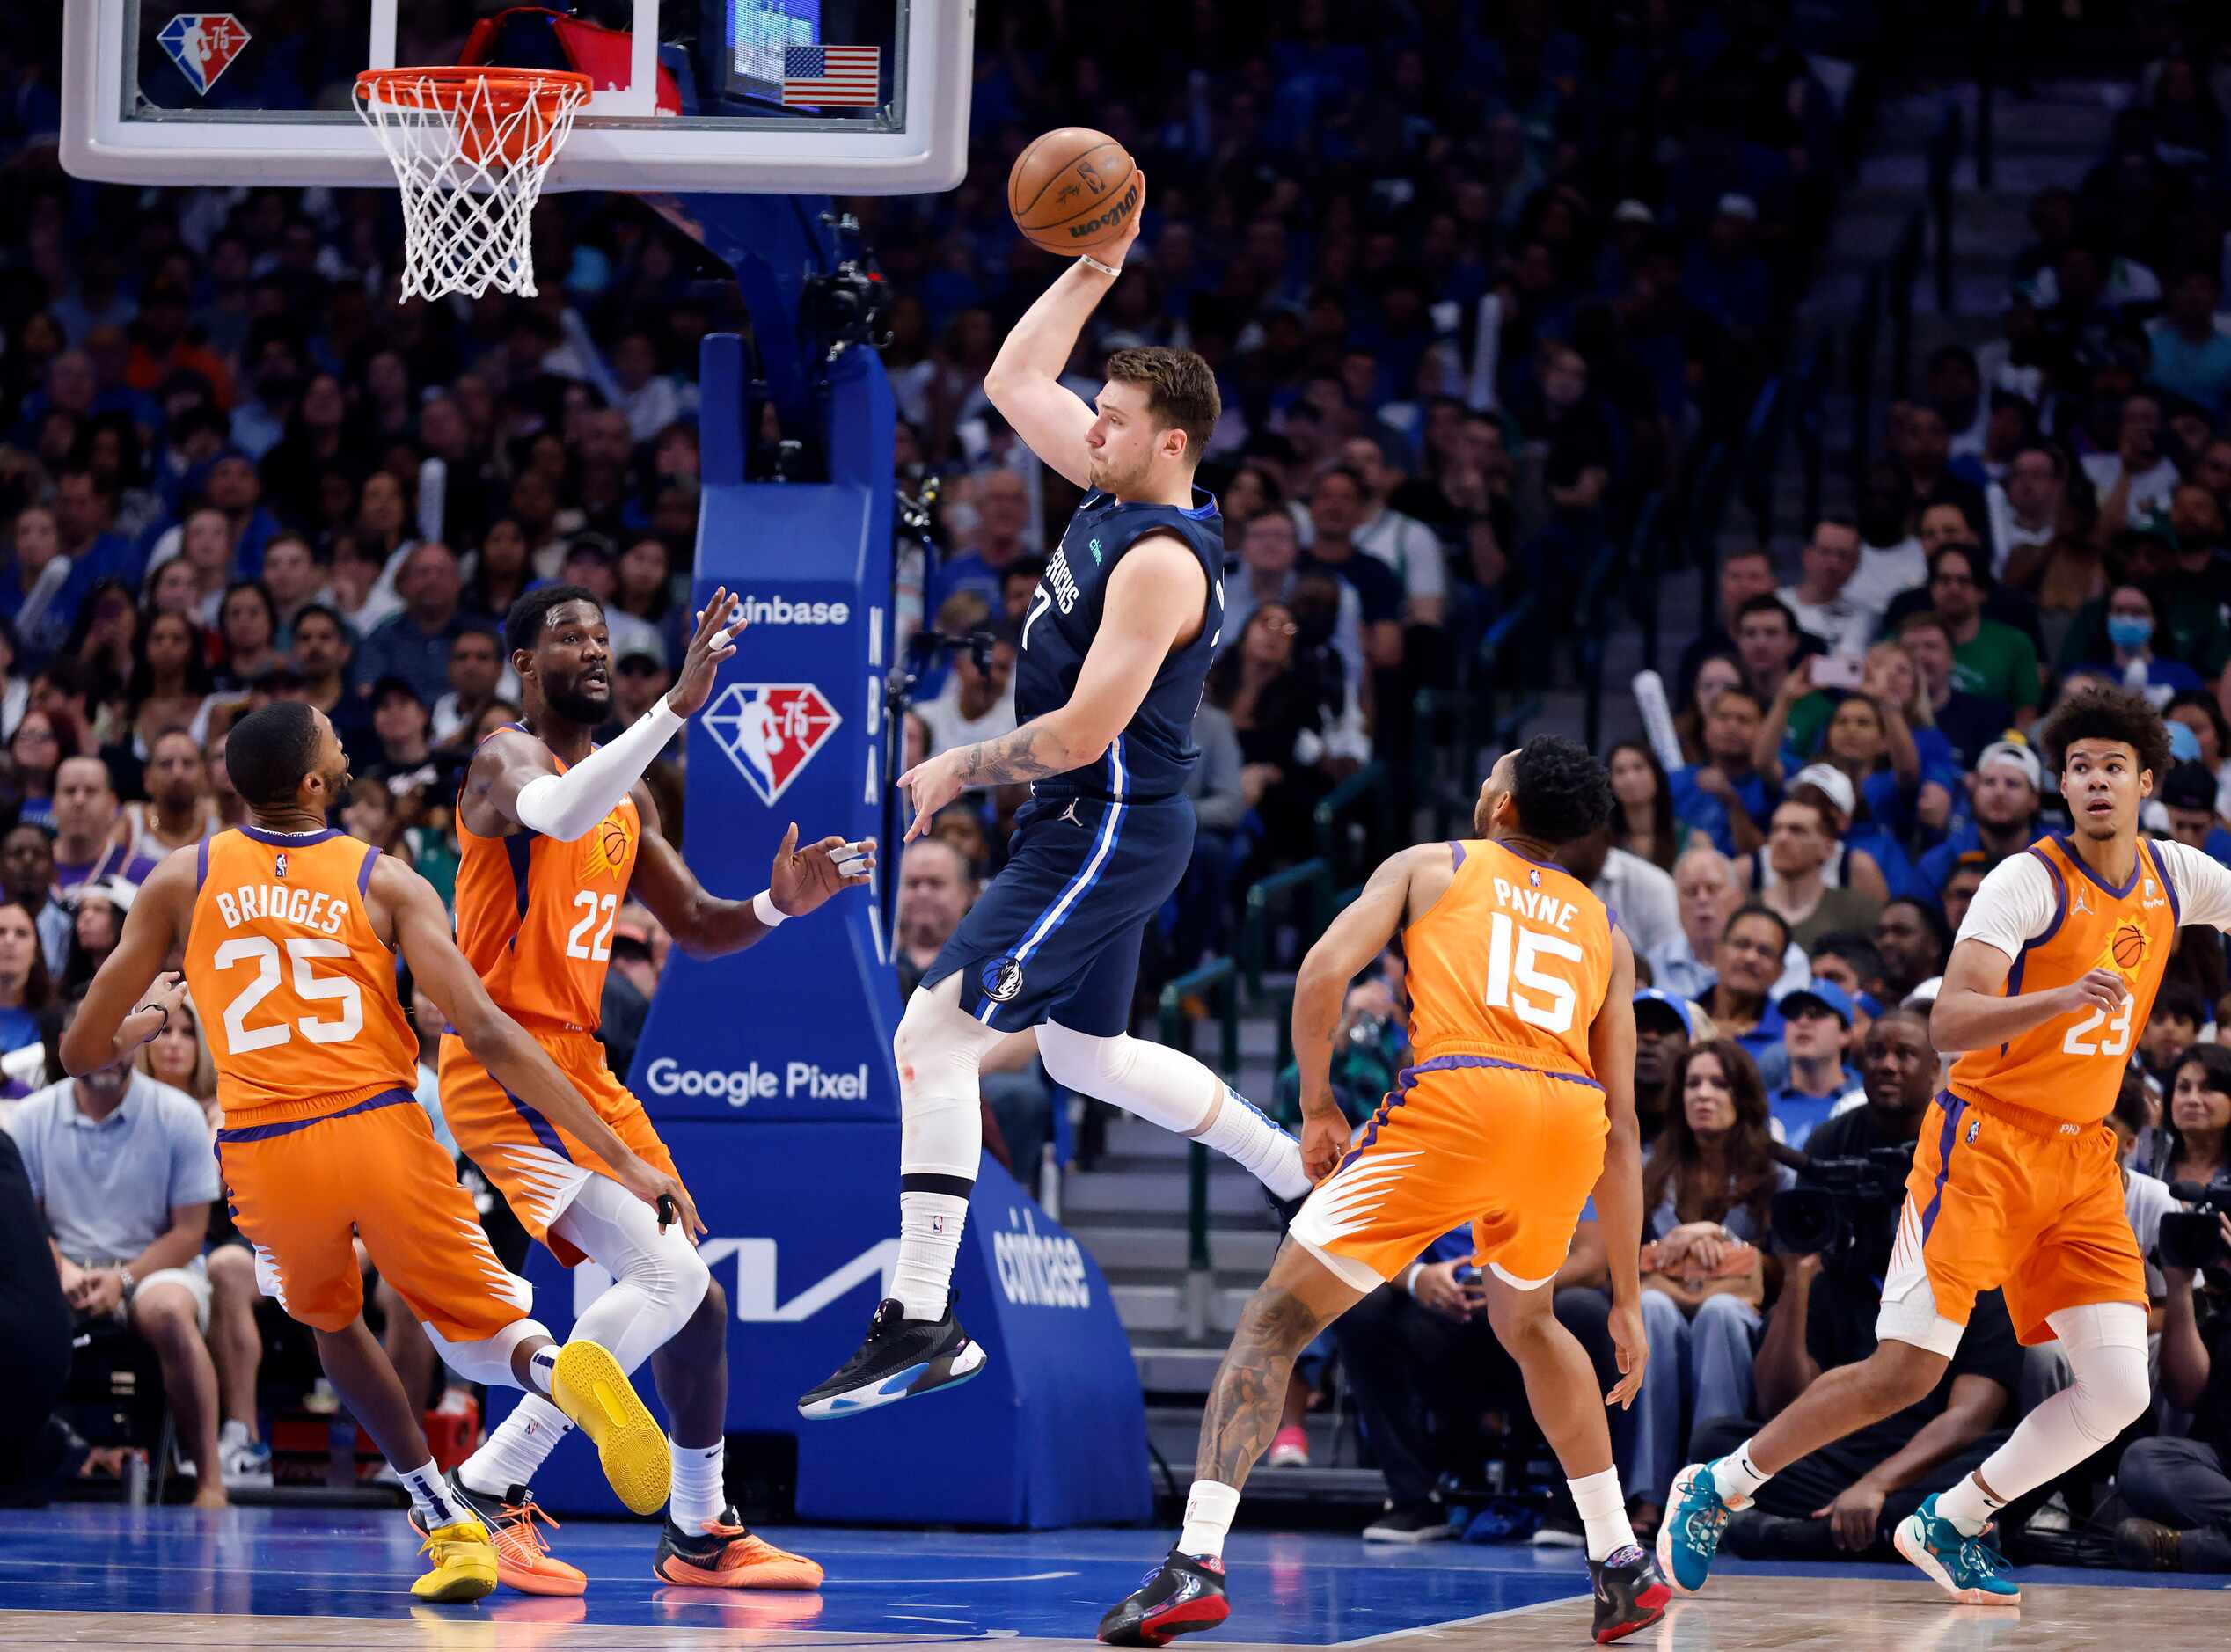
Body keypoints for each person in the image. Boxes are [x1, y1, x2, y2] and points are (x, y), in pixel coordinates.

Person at [800, 197, 1313, 1422]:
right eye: (1098, 412)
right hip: (1082, 826)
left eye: (1119, 420)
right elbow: (1012, 372)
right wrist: (1096, 262)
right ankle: (1298, 1172)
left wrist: (956, 765)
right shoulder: (1105, 483)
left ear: (1174, 444)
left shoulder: (1160, 563)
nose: (1092, 426)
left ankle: (921, 1317)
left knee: (931, 1038)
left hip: (1108, 822)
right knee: (1084, 1054)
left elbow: (1082, 734)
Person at [57, 699, 698, 1600]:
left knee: (331, 1324)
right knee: (479, 1332)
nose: (346, 736)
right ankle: (555, 1370)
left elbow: (81, 1053)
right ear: (315, 782)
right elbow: (489, 1032)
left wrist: (161, 1013)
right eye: (332, 735)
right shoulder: (387, 880)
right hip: (380, 1126)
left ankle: (444, 1520)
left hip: (265, 1148)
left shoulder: (181, 878)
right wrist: (620, 1159)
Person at [1662, 685, 2227, 1605]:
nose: (2092, 782)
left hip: (2079, 1160)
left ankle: (1952, 1516)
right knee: (1905, 1371)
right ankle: (1714, 1488)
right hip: (1984, 1146)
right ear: (2062, 783)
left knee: (2119, 1387)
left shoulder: (2175, 876)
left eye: (2111, 768)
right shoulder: (2026, 882)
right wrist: (2056, 997)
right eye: (2078, 767)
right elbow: (1951, 1025)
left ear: (2145, 783)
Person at [1099, 739, 1669, 1648]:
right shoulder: (1609, 931)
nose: (1484, 780)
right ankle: (1619, 1561)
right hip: (1568, 1120)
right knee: (1529, 1325)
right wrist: (1630, 1301)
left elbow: (1323, 972)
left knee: (1275, 1325)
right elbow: (1628, 1122)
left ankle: (1193, 1563)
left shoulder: (1429, 866)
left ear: (1503, 809)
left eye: (1496, 773)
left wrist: (1319, 1103)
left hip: (1460, 1096)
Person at [443, 583, 860, 1595]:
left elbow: (707, 927)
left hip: (579, 1065)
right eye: (564, 638)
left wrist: (778, 901)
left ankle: (699, 1530)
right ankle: (490, 1488)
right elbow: (555, 806)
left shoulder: (632, 800)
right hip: (506, 1062)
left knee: (699, 1305)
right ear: (521, 665)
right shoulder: (504, 764)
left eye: (600, 637)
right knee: (671, 1283)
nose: (590, 649)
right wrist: (674, 707)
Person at [9, 989, 229, 1507]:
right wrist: (59, 1272)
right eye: (99, 1035)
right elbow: (26, 1225)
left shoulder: (177, 1115)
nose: (111, 1049)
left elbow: (189, 1232)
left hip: (155, 1266)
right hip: (59, 1264)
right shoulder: (31, 1117)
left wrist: (121, 1280)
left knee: (170, 1311)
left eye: (122, 1035)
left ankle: (211, 1482)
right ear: (69, 1044)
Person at [1630, 1041, 1788, 1527]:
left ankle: (1713, 1491)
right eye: (1693, 1084)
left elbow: (1783, 1268)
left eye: (1719, 1084)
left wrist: (1717, 1236)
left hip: (1740, 1311)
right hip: (1667, 1300)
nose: (1704, 1095)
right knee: (1651, 1309)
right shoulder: (1651, 1169)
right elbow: (1628, 1260)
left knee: (1721, 1316)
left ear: (1742, 1096)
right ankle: (1648, 1495)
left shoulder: (1774, 1168)